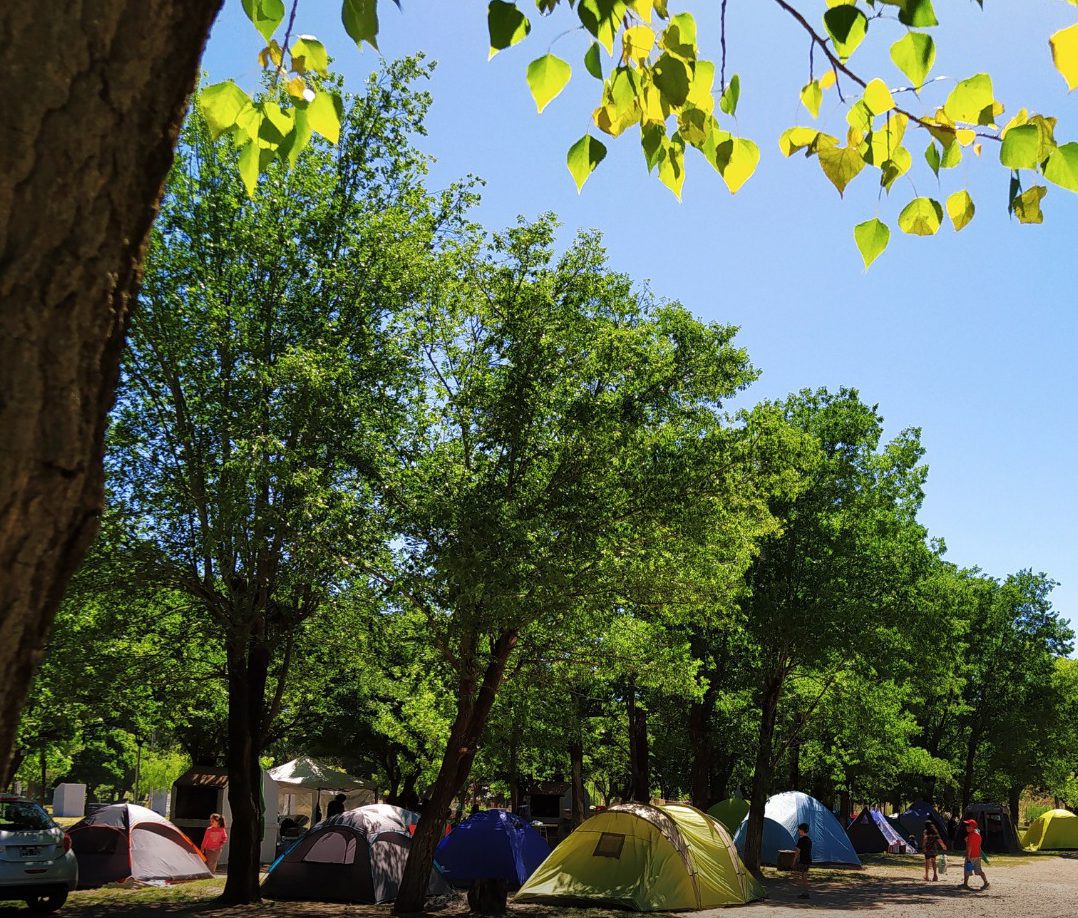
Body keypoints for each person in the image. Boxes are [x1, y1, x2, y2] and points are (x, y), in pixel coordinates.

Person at [960, 818, 989, 890]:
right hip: (978, 855)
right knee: (979, 870)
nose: (966, 827)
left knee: (967, 869)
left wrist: (968, 856)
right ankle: (986, 882)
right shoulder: (978, 834)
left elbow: (970, 847)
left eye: (968, 826)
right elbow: (977, 846)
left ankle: (965, 884)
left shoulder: (971, 835)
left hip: (971, 856)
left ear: (972, 827)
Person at [793, 822, 812, 899]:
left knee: (803, 877)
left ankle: (805, 893)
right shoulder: (809, 840)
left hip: (803, 860)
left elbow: (797, 851)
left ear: (802, 830)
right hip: (808, 860)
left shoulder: (801, 840)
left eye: (799, 830)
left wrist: (794, 861)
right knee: (804, 875)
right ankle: (805, 892)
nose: (798, 831)